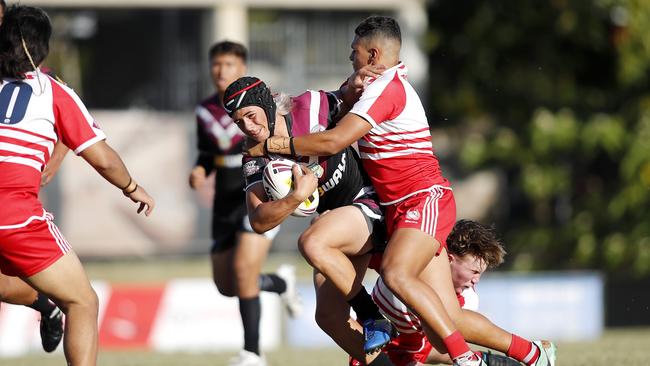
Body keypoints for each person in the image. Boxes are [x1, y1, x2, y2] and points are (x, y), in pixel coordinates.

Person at [246, 16, 556, 366]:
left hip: (420, 200)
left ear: (373, 53)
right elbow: (337, 114)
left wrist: (274, 144)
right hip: (393, 210)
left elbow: (334, 139)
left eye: (355, 52)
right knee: (439, 318)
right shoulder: (374, 87)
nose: (351, 58)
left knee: (394, 274)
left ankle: (467, 360)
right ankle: (531, 354)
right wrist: (348, 88)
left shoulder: (387, 89)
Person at [0, 5, 154, 365]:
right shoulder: (53, 91)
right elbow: (102, 158)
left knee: (6, 285)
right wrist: (133, 188)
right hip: (16, 217)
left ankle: (43, 303)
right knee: (83, 301)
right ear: (43, 48)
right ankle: (48, 305)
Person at [223, 75, 396, 365]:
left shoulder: (310, 106)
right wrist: (292, 198)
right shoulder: (253, 156)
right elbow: (258, 220)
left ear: (267, 104)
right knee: (328, 317)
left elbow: (347, 96)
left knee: (313, 242)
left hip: (368, 204)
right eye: (239, 123)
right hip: (336, 223)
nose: (249, 127)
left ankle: (372, 317)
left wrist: (356, 83)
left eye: (251, 116)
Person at [188, 41, 301, 366]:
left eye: (228, 65)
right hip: (225, 198)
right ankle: (280, 283)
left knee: (242, 270)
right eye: (216, 65)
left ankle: (252, 353)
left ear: (243, 69)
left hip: (258, 193)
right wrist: (200, 169)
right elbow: (208, 153)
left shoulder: (261, 105)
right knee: (226, 285)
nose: (221, 71)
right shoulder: (205, 111)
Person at [357, 219, 520, 366]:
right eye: (474, 272)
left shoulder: (467, 300)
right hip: (370, 343)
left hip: (410, 350)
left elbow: (436, 348)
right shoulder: (406, 270)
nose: (476, 281)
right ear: (449, 259)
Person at [0, 0, 64, 354]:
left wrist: (56, 158)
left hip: (18, 192)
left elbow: (72, 118)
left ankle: (54, 299)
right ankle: (46, 302)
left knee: (80, 296)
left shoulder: (33, 73)